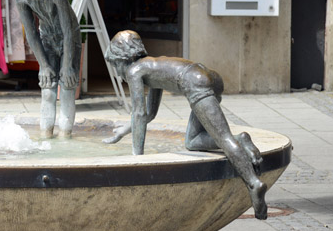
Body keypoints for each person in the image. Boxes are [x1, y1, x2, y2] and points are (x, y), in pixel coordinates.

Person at [104, 30, 268, 220]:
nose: (116, 72)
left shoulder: (134, 71)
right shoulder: (151, 66)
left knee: (223, 138)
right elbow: (148, 114)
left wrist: (136, 158)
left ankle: (253, 183)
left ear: (121, 58)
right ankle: (242, 140)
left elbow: (138, 113)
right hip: (209, 76)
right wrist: (123, 131)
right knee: (193, 141)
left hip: (195, 81)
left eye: (114, 65)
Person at [15, 0, 81, 138]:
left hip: (70, 42)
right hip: (48, 41)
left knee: (67, 89)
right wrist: (43, 65)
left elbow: (69, 33)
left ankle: (65, 136)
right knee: (48, 91)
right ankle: (46, 135)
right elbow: (31, 33)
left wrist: (67, 66)